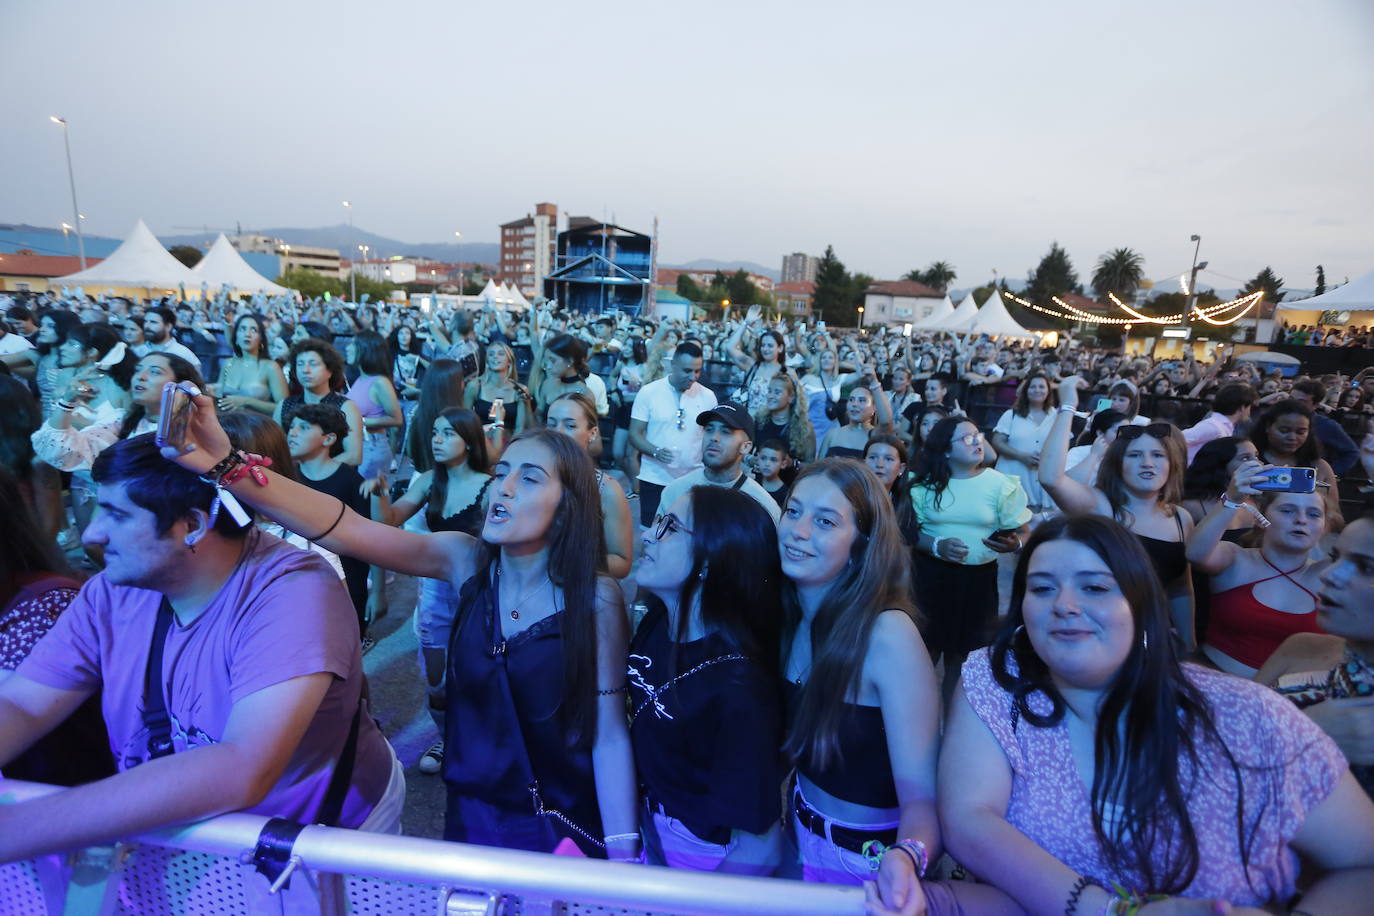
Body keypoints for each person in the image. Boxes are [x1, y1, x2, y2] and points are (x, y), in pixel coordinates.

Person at [163, 411, 639, 860]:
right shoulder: (462, 559)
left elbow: (610, 732)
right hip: (473, 810)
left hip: (566, 818)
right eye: (502, 472)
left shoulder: (596, 599)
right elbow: (346, 530)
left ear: (566, 506)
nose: (505, 488)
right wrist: (226, 467)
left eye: (530, 478)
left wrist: (622, 853)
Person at [0, 434, 404, 867]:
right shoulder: (113, 591)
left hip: (317, 838)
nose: (92, 534)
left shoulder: (294, 592)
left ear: (192, 526)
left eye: (116, 514)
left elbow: (243, 766)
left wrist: (21, 829)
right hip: (209, 833)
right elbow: (23, 702)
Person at [939, 513, 1374, 915]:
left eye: (1094, 587)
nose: (1064, 605)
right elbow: (969, 818)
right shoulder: (1000, 678)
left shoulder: (1248, 716)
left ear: (1141, 605)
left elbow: (1364, 864)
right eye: (1042, 587)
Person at [779, 459, 977, 916]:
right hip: (798, 839)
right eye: (793, 511)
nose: (798, 531)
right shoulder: (789, 616)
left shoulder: (887, 634)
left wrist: (908, 859)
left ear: (861, 544)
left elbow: (925, 800)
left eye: (825, 521)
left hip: (868, 865)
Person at [630, 486, 786, 873]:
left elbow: (760, 848)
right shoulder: (659, 622)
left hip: (696, 855)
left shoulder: (739, 688)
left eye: (670, 527)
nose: (648, 534)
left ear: (711, 560)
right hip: (646, 826)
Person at [367, 406, 492, 775]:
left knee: (479, 673)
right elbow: (388, 523)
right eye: (435, 432)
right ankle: (447, 737)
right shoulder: (427, 481)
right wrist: (380, 494)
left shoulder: (488, 485)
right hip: (436, 593)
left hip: (478, 595)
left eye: (448, 433)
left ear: (469, 442)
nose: (437, 440)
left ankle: (476, 737)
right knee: (437, 682)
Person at [1040, 377, 1197, 652]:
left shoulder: (1181, 519)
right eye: (1135, 455)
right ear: (1118, 464)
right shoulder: (1100, 506)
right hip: (1094, 638)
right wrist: (1067, 406)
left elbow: (1180, 588)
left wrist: (1188, 641)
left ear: (1172, 464)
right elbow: (1051, 478)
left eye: (1158, 456)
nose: (1147, 463)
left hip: (1151, 639)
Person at [0, 466, 114, 788]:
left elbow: (19, 704)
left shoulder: (47, 603)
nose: (93, 534)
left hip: (61, 798)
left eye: (116, 513)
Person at [910, 417, 1030, 704]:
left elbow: (1022, 529)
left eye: (978, 434)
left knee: (964, 658)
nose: (977, 441)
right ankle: (918, 717)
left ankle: (952, 721)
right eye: (966, 438)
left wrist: (1015, 543)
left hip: (977, 581)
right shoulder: (923, 485)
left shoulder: (999, 484)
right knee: (924, 652)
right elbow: (909, 534)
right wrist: (937, 545)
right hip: (931, 578)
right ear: (946, 450)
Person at [1257, 512, 1374, 798]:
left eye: (1366, 567)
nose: (1328, 574)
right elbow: (1217, 753)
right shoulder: (1301, 646)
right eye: (1336, 558)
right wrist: (1307, 738)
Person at [1187, 461, 1331, 677]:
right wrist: (1232, 499)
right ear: (1260, 518)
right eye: (1287, 510)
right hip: (1217, 686)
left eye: (1313, 514)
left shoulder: (1330, 575)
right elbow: (1196, 553)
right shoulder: (1235, 558)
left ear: (1324, 526)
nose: (1301, 520)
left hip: (1290, 703)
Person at [286, 404, 375, 639]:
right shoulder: (288, 479)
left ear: (328, 439)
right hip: (303, 577)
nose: (292, 433)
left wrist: (379, 591)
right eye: (292, 427)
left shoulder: (351, 481)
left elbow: (371, 541)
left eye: (303, 428)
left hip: (348, 576)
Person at [544, 392, 635, 578]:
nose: (558, 432)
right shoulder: (530, 478)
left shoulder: (607, 490)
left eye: (570, 425)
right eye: (552, 424)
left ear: (592, 433)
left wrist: (570, 561)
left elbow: (622, 562)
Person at [629, 342, 718, 527]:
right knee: (650, 534)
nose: (693, 377)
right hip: (655, 477)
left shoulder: (708, 397)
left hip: (693, 479)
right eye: (687, 370)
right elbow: (634, 434)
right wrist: (655, 451)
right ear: (672, 366)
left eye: (697, 371)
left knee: (688, 534)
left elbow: (712, 436)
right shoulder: (649, 392)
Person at [659, 401, 782, 524]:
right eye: (709, 429)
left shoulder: (762, 506)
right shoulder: (675, 492)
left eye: (725, 432)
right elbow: (655, 540)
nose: (714, 437)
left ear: (745, 447)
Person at [1249, 399, 1342, 526]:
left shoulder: (1320, 467)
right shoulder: (1249, 463)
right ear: (1268, 427)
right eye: (1284, 430)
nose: (1292, 437)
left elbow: (1335, 516)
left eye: (1301, 432)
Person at [990, 373, 1057, 514]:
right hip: (1013, 476)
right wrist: (1021, 456)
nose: (1037, 390)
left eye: (1041, 386)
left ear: (1048, 391)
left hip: (1042, 480)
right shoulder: (1011, 414)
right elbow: (997, 441)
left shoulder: (1056, 416)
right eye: (1033, 387)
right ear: (1026, 391)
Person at [344, 330, 404, 480]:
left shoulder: (380, 382)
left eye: (353, 344)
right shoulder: (361, 379)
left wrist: (360, 421)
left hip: (372, 447)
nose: (347, 348)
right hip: (360, 445)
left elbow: (397, 419)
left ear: (365, 349)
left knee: (367, 500)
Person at [212, 314, 287, 416]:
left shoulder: (270, 366)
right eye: (242, 329)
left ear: (261, 338)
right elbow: (218, 395)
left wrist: (247, 401)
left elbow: (284, 407)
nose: (247, 334)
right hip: (227, 424)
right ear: (236, 337)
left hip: (258, 427)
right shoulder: (228, 363)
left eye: (253, 330)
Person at [1290, 379, 1360, 476]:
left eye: (1301, 402)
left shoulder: (1326, 425)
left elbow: (1352, 453)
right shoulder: (1275, 418)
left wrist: (1328, 473)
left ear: (1315, 405)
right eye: (1291, 399)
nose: (1292, 405)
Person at [726, 305, 788, 413]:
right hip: (750, 423)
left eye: (770, 345)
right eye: (763, 345)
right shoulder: (752, 365)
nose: (765, 349)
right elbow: (730, 347)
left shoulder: (786, 372)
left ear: (780, 348)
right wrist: (746, 323)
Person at [817, 376, 893, 460]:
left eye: (862, 400)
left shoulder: (875, 436)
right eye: (851, 399)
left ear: (874, 407)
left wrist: (874, 381)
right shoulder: (832, 435)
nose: (855, 404)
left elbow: (886, 422)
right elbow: (819, 468)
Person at [1180, 382, 1256, 463]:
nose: (1249, 412)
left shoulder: (1221, 426)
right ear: (1242, 407)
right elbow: (1177, 439)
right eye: (1250, 407)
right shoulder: (1213, 426)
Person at [753, 370, 816, 466]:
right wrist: (751, 460)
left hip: (791, 479)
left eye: (777, 392)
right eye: (769, 391)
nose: (770, 396)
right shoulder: (759, 420)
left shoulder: (805, 428)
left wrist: (792, 464)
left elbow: (810, 465)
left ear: (791, 397)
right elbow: (744, 452)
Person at [139, 305, 202, 370]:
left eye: (153, 322)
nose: (147, 326)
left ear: (168, 327)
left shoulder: (183, 354)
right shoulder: (139, 350)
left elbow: (196, 379)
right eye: (145, 321)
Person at [752, 437, 791, 509]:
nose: (767, 464)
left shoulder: (785, 495)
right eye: (763, 458)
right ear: (758, 458)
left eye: (773, 460)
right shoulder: (752, 483)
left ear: (783, 464)